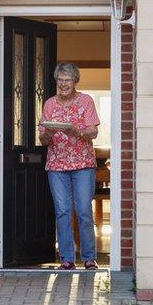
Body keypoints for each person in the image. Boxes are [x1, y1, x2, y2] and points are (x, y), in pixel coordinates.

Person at [37, 62, 100, 271]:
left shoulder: (86, 101)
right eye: (60, 80)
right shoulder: (49, 105)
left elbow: (93, 132)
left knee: (83, 210)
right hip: (56, 164)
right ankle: (66, 259)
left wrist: (76, 132)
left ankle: (89, 258)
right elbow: (43, 139)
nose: (63, 84)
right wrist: (48, 133)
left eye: (68, 80)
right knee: (63, 211)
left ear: (75, 82)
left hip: (83, 164)